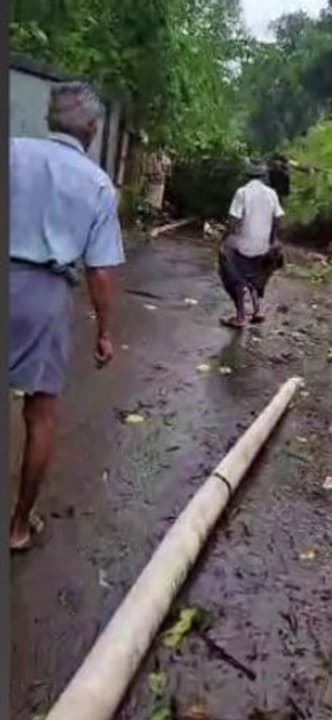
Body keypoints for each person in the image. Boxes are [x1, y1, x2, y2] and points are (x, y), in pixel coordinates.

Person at [9, 82, 125, 551]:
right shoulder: (97, 184)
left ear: (49, 120)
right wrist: (105, 333)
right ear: (93, 129)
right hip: (46, 296)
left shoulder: (13, 151)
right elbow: (99, 271)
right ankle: (17, 527)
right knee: (40, 414)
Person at [218, 163, 285, 328]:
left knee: (233, 275)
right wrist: (273, 238)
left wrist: (224, 239)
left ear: (248, 176)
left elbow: (233, 220)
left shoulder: (242, 192)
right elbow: (278, 218)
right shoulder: (272, 194)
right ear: (264, 177)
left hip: (243, 246)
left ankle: (240, 316)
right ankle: (258, 310)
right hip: (263, 247)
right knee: (255, 277)